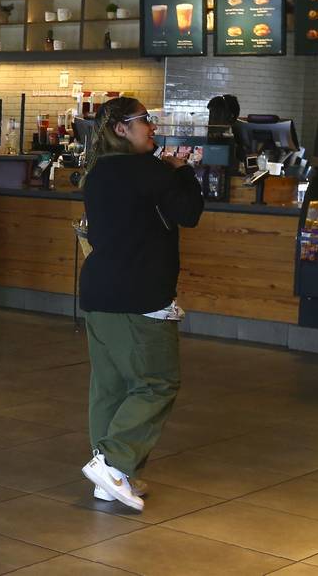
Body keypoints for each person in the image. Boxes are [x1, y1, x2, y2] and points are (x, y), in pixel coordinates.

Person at [77, 96, 204, 512]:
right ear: (121, 128)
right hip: (141, 293)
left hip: (98, 291)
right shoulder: (148, 170)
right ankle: (113, 465)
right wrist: (183, 171)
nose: (151, 127)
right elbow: (189, 213)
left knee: (110, 386)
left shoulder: (97, 172)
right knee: (157, 382)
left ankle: (111, 477)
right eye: (144, 121)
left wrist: (166, 172)